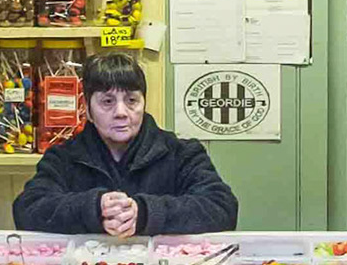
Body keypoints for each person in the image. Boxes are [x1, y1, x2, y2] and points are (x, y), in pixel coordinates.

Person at [12, 50, 238, 238]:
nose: (121, 112)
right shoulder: (63, 158)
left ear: (143, 103)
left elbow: (222, 208)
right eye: (107, 102)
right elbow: (27, 210)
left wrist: (147, 214)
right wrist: (93, 208)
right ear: (87, 109)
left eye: (131, 100)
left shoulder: (182, 153)